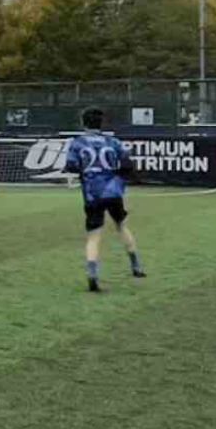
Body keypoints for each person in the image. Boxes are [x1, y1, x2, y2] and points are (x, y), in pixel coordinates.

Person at [64, 107, 147, 293]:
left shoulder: (77, 143)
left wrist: (84, 172)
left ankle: (92, 274)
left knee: (94, 236)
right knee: (122, 226)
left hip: (92, 193)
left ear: (83, 123)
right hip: (113, 192)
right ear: (101, 123)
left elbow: (71, 166)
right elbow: (127, 165)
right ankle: (136, 266)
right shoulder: (113, 142)